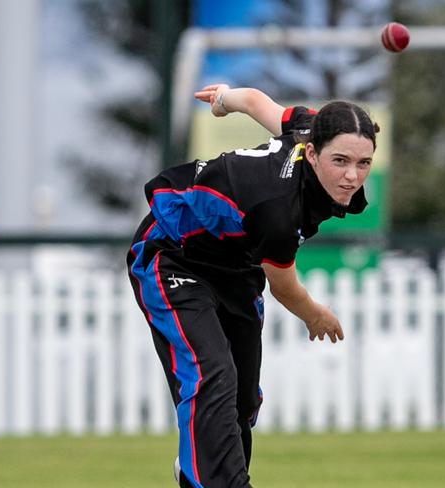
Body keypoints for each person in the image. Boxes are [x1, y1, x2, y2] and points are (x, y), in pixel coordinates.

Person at [126, 83, 379, 488]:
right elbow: (284, 286)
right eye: (341, 161)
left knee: (243, 400)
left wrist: (225, 99)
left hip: (236, 267)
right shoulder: (278, 209)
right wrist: (314, 313)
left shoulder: (311, 126)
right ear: (312, 153)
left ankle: (203, 468)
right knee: (211, 373)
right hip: (173, 254)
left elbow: (257, 103)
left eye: (364, 163)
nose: (352, 175)